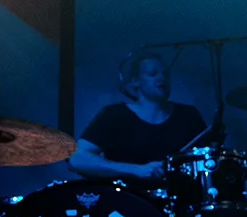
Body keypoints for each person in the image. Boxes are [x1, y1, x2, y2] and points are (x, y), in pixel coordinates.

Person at [71, 52, 207, 182]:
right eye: (153, 74)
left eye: (165, 74)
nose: (162, 78)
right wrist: (137, 170)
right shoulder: (114, 115)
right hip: (129, 197)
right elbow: (77, 159)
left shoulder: (188, 115)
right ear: (135, 81)